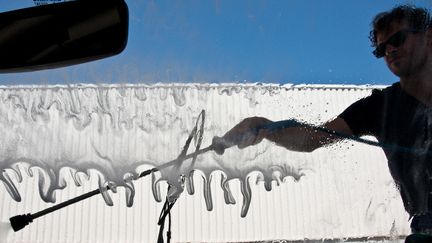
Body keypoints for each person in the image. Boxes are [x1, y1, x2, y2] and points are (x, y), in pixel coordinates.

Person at [212, 4, 432, 240]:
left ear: (428, 36)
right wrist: (264, 126)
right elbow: (311, 139)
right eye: (381, 49)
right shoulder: (379, 108)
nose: (389, 50)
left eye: (398, 39)